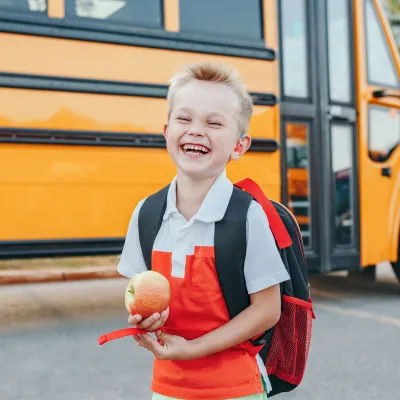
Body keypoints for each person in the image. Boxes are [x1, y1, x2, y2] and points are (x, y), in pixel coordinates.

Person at [117, 62, 290, 400]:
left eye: (213, 123)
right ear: (167, 131)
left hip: (236, 388)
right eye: (185, 119)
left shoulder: (248, 216)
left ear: (239, 146)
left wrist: (193, 349)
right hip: (168, 388)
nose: (196, 130)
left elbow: (268, 310)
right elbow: (136, 289)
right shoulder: (146, 214)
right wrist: (146, 316)